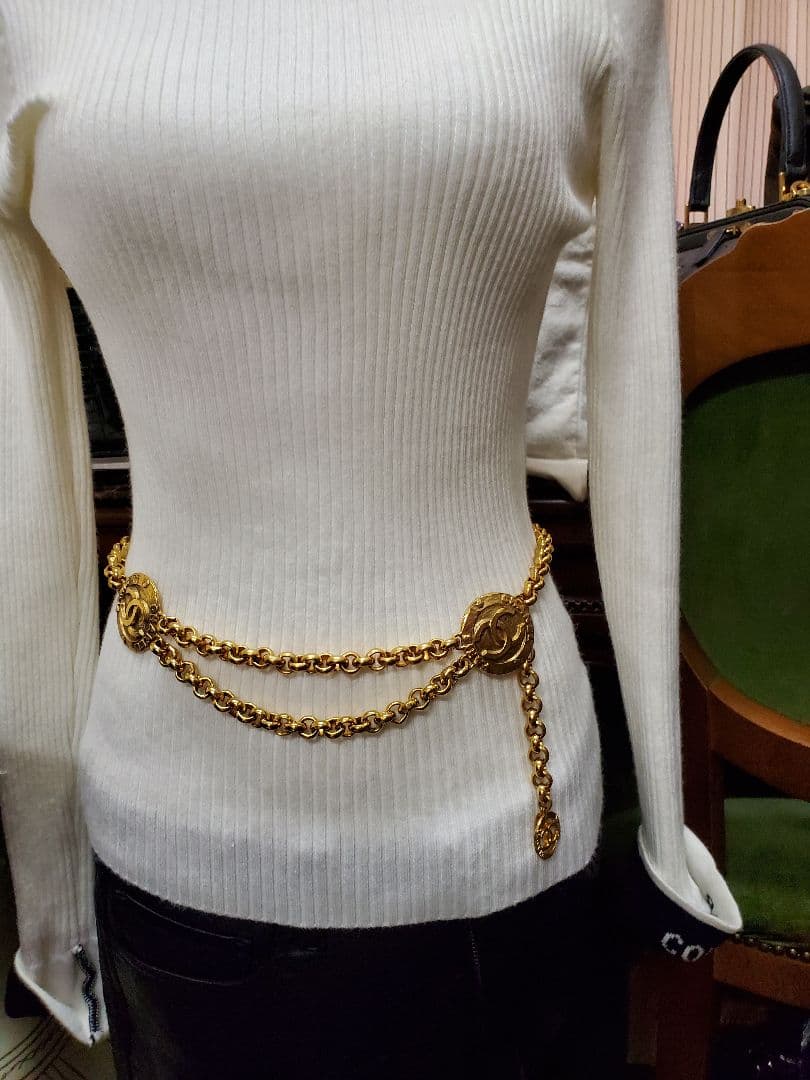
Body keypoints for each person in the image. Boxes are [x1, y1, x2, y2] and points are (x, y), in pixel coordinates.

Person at [0, 0, 742, 1073]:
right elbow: (21, 468)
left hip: (508, 809)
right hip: (175, 818)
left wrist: (665, 826)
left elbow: (633, 385)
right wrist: (45, 885)